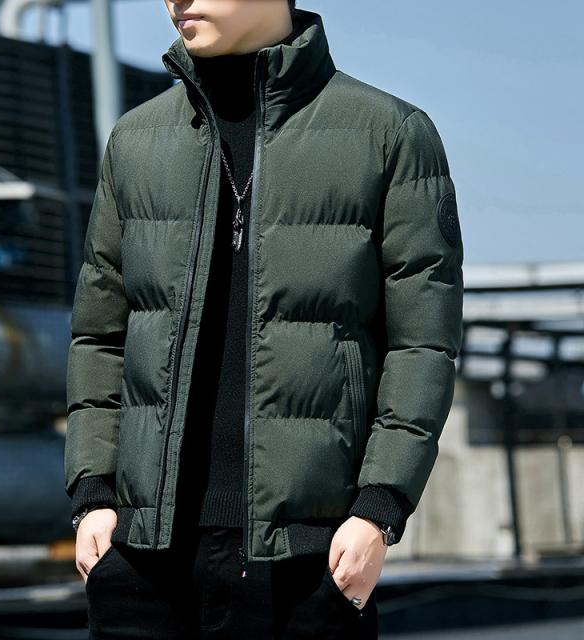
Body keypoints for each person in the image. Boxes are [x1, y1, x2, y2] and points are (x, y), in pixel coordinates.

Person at [63, 1, 464, 638]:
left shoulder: (389, 135)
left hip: (308, 561)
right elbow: (100, 336)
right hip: (141, 557)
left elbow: (423, 345)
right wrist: (92, 494)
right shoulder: (135, 141)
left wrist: (379, 509)